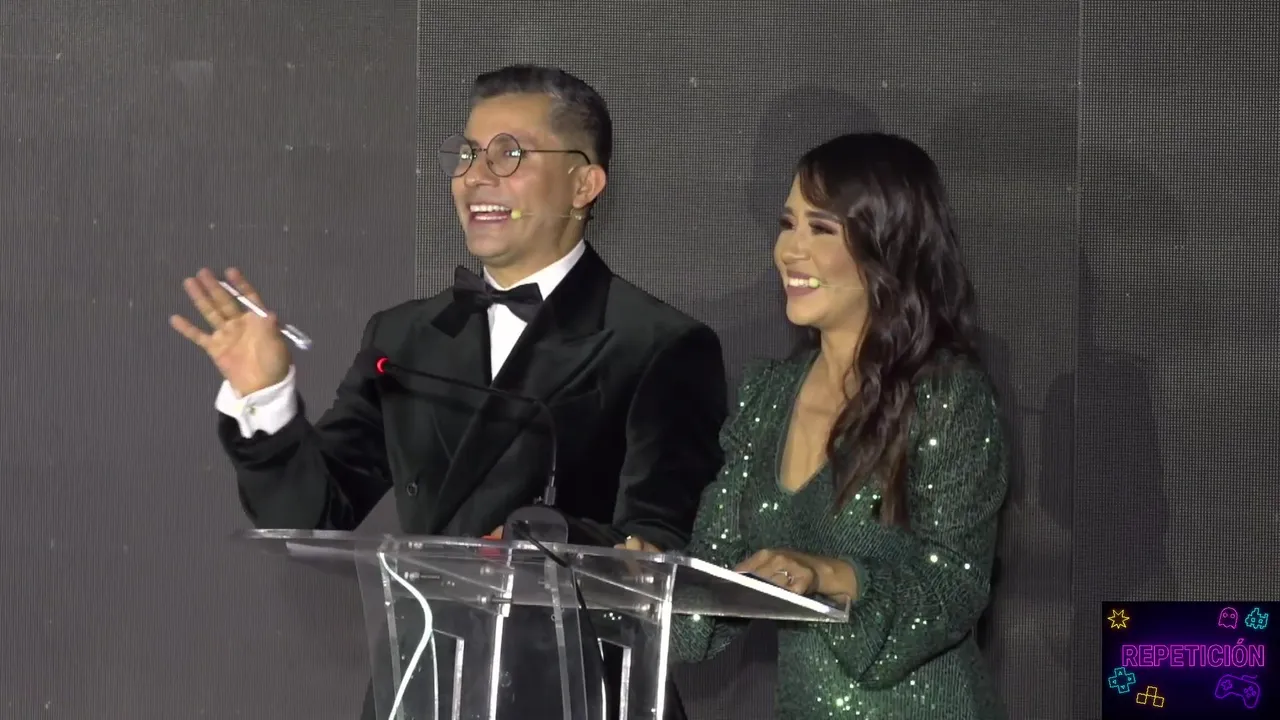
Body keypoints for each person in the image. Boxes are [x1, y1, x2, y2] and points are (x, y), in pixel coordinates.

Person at [171, 65, 726, 717]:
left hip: (579, 692)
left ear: (584, 183)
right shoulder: (405, 337)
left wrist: (537, 540)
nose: (474, 176)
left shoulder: (658, 342)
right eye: (466, 154)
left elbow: (657, 548)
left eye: (508, 154)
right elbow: (313, 512)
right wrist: (266, 396)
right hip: (428, 688)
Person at [625, 133, 1008, 719]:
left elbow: (955, 588)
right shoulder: (768, 395)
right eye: (787, 224)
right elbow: (714, 585)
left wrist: (829, 574)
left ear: (889, 248)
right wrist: (648, 581)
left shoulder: (947, 395)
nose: (789, 250)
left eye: (821, 229)